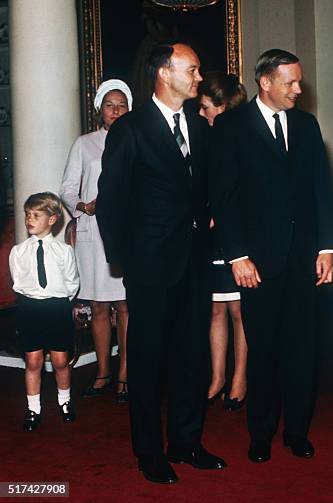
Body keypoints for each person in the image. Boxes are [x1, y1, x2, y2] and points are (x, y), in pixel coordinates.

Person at [96, 42, 225, 484]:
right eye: (191, 69)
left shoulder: (200, 126)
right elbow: (111, 202)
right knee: (148, 362)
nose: (198, 77)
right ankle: (149, 452)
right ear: (163, 74)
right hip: (150, 266)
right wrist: (123, 261)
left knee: (192, 355)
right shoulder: (130, 129)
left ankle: (186, 442)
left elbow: (203, 190)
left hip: (194, 263)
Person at [210, 49, 333, 463]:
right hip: (256, 264)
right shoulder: (231, 126)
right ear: (265, 82)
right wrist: (237, 255)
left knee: (302, 349)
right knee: (262, 349)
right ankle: (260, 433)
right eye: (291, 82)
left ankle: (297, 432)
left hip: (304, 261)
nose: (299, 89)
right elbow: (223, 199)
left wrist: (326, 247)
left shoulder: (306, 125)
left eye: (299, 81)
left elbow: (321, 190)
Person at [60, 79, 132, 402]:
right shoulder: (84, 144)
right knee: (99, 306)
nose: (115, 111)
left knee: (126, 306)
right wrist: (82, 206)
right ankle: (103, 371)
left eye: (121, 105)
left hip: (126, 233)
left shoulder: (137, 140)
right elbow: (67, 188)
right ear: (100, 109)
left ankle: (125, 374)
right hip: (92, 232)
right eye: (109, 105)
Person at [197, 72, 248, 410]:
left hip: (239, 236)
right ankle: (217, 376)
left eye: (205, 108)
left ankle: (240, 377)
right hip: (210, 237)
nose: (200, 114)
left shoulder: (243, 138)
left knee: (239, 312)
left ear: (223, 107)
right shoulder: (205, 138)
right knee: (215, 309)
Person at [9, 192, 79, 431]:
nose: (29, 220)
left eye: (36, 215)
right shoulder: (18, 252)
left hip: (57, 308)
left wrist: (58, 303)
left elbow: (72, 283)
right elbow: (18, 282)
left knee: (60, 361)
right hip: (30, 309)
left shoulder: (64, 251)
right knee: (33, 360)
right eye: (27, 215)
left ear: (52, 219)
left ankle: (65, 401)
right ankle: (33, 408)